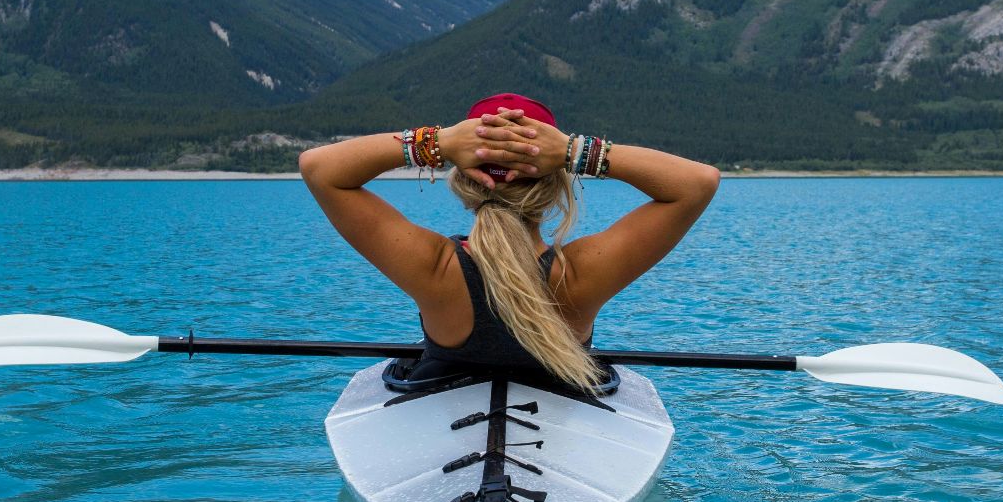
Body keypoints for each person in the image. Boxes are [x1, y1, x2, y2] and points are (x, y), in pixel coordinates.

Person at [298, 93, 720, 394]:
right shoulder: (580, 274)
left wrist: (438, 142)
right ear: (556, 182)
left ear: (463, 179)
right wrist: (575, 149)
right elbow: (698, 183)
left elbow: (319, 168)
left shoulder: (433, 268)